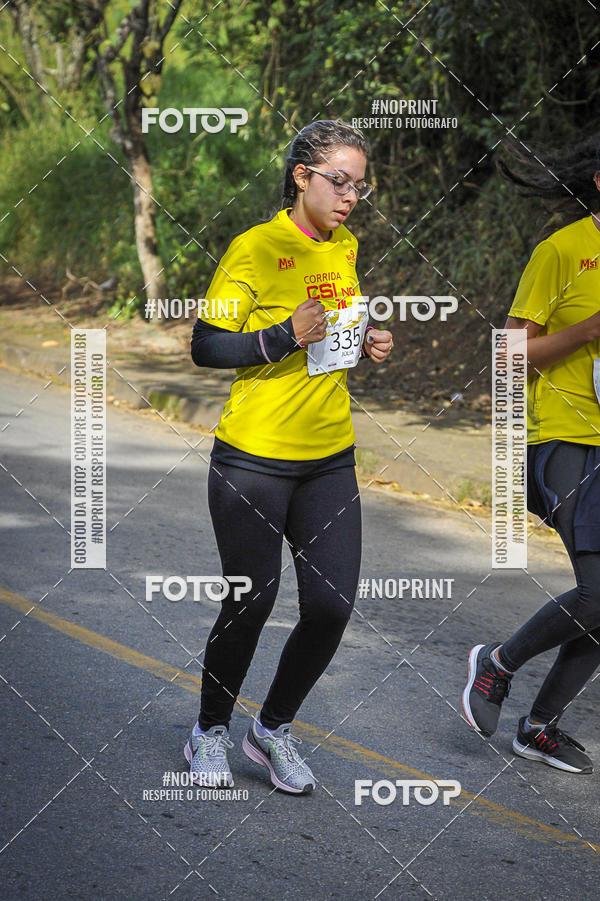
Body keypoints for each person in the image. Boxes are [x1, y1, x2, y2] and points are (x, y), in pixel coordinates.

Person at [185, 119, 393, 794]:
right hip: (253, 457)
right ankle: (209, 729)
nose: (349, 196)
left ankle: (270, 729)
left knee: (331, 605)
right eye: (339, 181)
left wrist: (360, 344)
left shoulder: (346, 247)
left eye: (359, 185)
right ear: (302, 176)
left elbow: (327, 339)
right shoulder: (254, 247)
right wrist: (281, 335)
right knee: (253, 598)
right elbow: (207, 345)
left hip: (330, 456)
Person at [462, 137, 600, 774]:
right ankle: (498, 664)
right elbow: (511, 355)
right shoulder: (561, 251)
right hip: (564, 440)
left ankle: (539, 725)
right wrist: (587, 331)